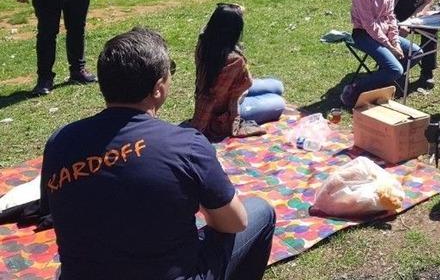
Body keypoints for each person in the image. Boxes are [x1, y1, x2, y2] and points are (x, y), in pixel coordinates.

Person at [40, 27, 276, 280]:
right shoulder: (186, 145)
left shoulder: (59, 142)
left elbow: (56, 211)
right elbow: (235, 222)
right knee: (260, 211)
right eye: (170, 71)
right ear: (158, 88)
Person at [340, 0, 423, 108]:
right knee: (395, 69)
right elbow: (369, 24)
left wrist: (395, 41)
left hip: (383, 32)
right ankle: (354, 88)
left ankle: (384, 83)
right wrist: (389, 46)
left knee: (416, 52)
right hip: (363, 34)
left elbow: (390, 16)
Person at [192, 3, 286, 140]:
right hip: (228, 108)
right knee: (279, 103)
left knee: (278, 86)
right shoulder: (233, 60)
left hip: (235, 91)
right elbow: (213, 97)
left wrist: (233, 10)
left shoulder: (205, 41)